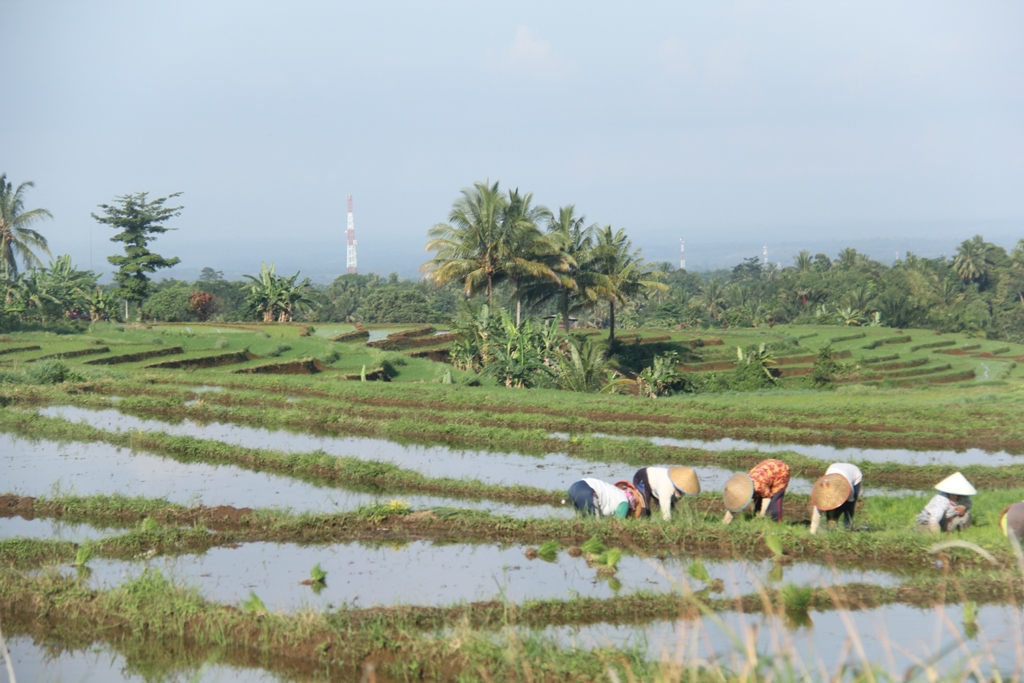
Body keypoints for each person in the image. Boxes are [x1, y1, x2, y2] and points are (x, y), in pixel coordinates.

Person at [723, 459, 791, 524]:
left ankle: (777, 524)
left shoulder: (759, 487)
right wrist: (726, 521)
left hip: (780, 470)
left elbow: (767, 497)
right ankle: (757, 518)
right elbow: (734, 505)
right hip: (767, 469)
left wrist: (762, 514)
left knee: (775, 500)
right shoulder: (745, 483)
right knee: (757, 500)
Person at [809, 463, 863, 534]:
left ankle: (848, 530)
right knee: (830, 508)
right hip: (833, 468)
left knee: (847, 506)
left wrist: (848, 526)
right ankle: (832, 524)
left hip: (854, 473)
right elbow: (817, 511)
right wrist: (812, 532)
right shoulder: (821, 493)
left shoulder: (849, 488)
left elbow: (851, 506)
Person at [632, 466, 700, 521]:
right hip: (642, 477)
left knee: (669, 506)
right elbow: (666, 513)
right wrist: (668, 523)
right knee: (645, 509)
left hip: (656, 483)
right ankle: (642, 524)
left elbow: (673, 500)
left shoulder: (683, 486)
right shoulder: (666, 487)